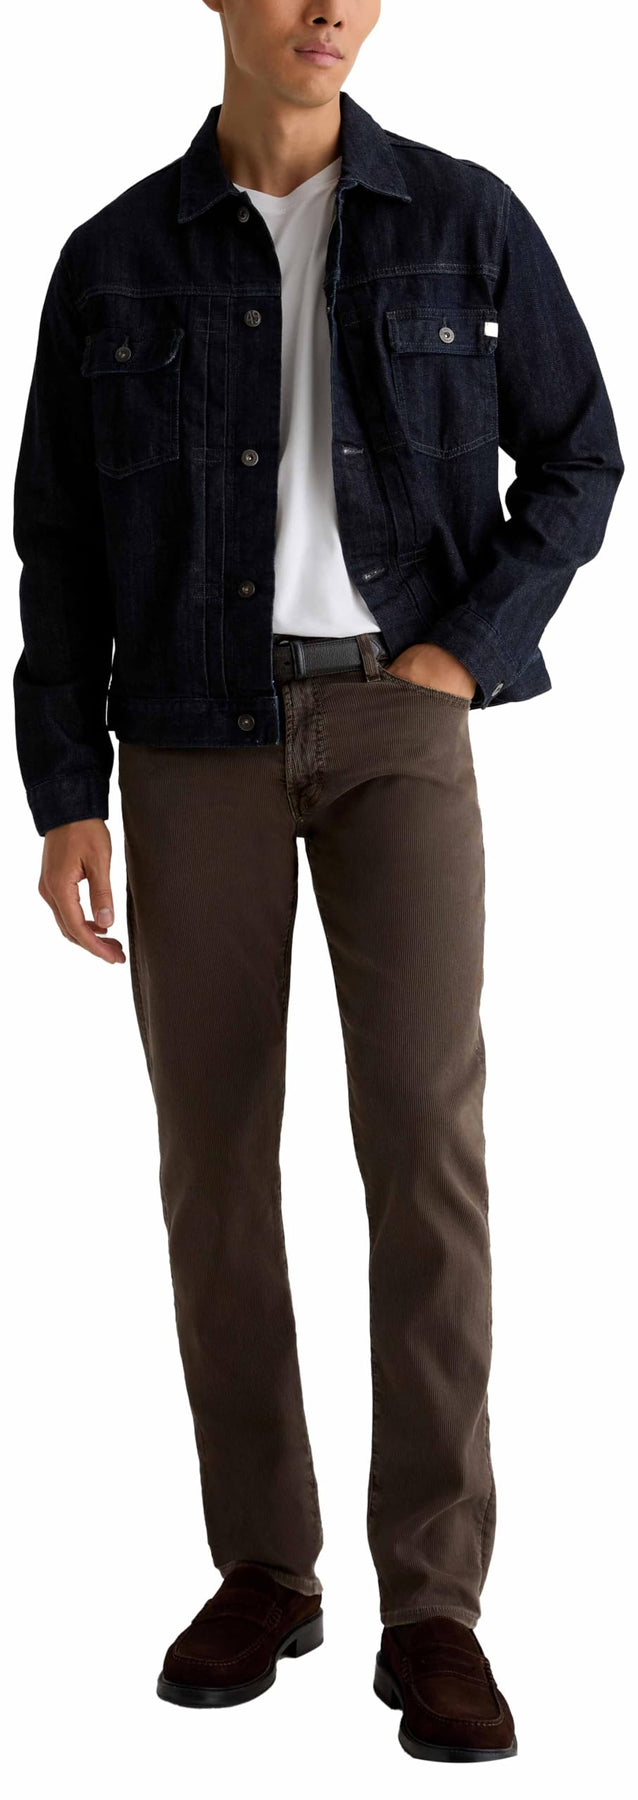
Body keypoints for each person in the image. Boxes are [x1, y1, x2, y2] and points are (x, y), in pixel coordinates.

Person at [12, 0, 623, 1764]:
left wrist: (459, 654)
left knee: (424, 1150)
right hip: (182, 737)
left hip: (395, 726)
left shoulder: (466, 217)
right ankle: (264, 1570)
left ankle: (432, 1606)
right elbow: (59, 546)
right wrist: (66, 795)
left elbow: (579, 455)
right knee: (213, 1161)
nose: (327, 9)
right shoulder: (111, 257)